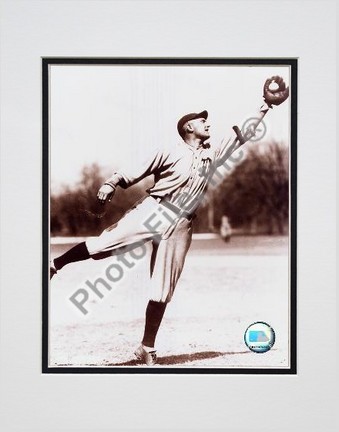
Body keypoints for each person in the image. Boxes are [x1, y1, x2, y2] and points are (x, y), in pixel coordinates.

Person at [50, 76, 289, 366]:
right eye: (202, 121)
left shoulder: (211, 154)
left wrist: (265, 104)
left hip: (182, 223)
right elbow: (138, 168)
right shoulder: (169, 149)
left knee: (163, 288)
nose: (208, 124)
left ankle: (146, 347)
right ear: (189, 127)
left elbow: (241, 134)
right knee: (104, 245)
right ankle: (54, 264)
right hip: (154, 209)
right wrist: (112, 182)